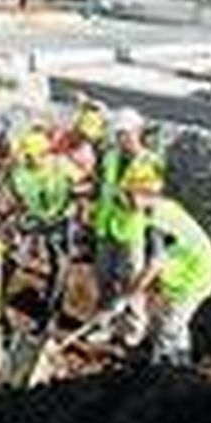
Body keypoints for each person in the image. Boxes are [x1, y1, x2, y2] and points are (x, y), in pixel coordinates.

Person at [109, 161, 211, 368]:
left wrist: (127, 296)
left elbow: (154, 265)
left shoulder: (161, 223)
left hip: (194, 278)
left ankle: (165, 373)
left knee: (169, 327)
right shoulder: (157, 209)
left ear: (143, 192)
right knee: (171, 322)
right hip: (185, 274)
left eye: (129, 194)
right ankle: (179, 362)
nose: (124, 199)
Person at [92, 106, 162, 309]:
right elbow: (102, 186)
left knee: (130, 280)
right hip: (105, 226)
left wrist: (132, 199)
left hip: (130, 231)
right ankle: (105, 320)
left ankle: (132, 327)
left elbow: (149, 199)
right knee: (103, 277)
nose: (121, 138)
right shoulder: (111, 156)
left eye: (125, 133)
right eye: (118, 134)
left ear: (137, 132)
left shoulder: (150, 162)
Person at [7, 128, 76, 325]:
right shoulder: (20, 173)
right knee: (13, 258)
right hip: (34, 217)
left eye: (32, 156)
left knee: (60, 265)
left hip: (60, 219)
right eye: (26, 156)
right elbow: (19, 198)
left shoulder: (59, 165)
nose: (27, 160)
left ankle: (50, 313)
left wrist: (71, 196)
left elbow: (83, 184)